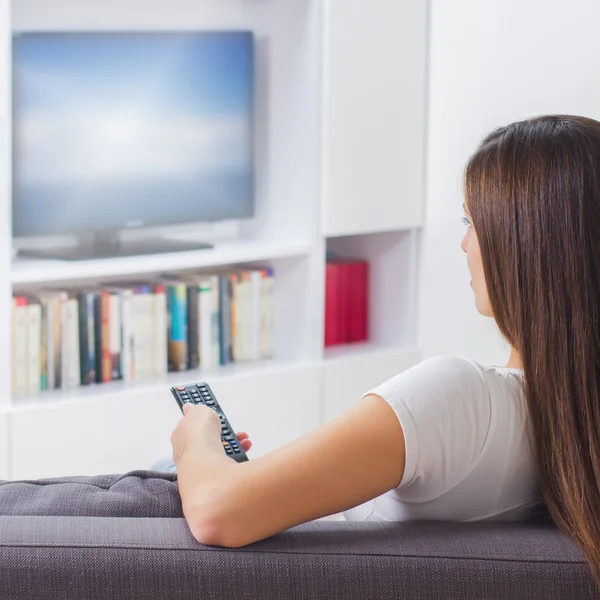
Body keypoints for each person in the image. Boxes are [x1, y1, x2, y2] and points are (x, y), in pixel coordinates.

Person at [159, 114, 600, 588]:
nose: (463, 242)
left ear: (526, 246)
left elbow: (217, 511)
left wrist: (197, 435)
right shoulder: (575, 429)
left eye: (473, 221)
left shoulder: (463, 399)